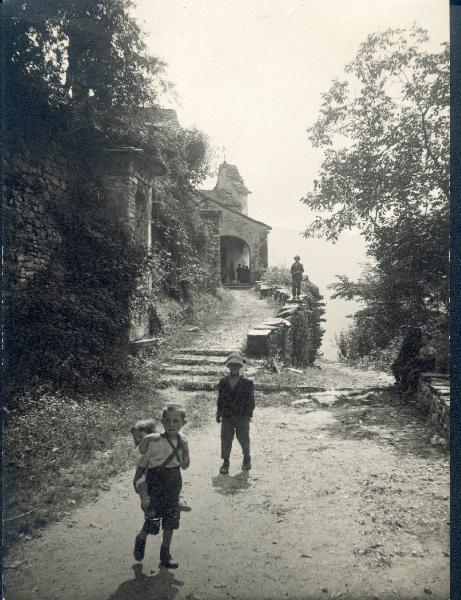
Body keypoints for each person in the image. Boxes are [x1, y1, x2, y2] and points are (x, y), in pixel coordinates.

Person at [133, 404, 190, 568]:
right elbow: (142, 464)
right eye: (168, 421)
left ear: (183, 423)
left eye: (176, 421)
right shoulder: (154, 441)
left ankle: (165, 556)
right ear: (162, 422)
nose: (171, 424)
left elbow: (185, 465)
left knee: (170, 521)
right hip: (155, 483)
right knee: (153, 518)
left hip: (173, 482)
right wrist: (139, 484)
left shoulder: (182, 441)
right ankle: (141, 538)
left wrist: (185, 449)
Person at [217, 352, 255, 474]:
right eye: (231, 365)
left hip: (241, 416)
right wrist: (218, 413)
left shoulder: (247, 383)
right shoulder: (223, 382)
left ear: (240, 367)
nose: (234, 367)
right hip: (227, 416)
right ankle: (226, 462)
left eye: (236, 365)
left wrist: (248, 415)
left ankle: (246, 458)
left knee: (243, 438)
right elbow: (220, 399)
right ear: (228, 366)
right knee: (226, 438)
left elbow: (251, 401)